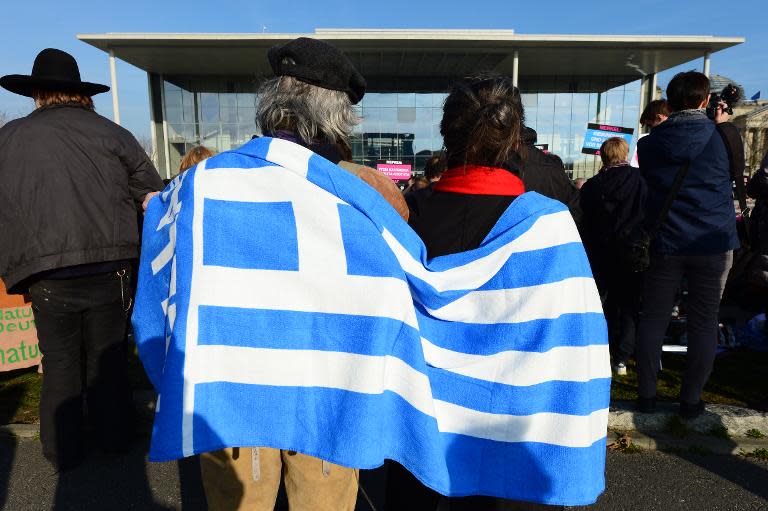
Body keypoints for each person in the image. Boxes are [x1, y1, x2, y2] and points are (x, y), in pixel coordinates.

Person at [195, 37, 406, 511]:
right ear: (338, 115)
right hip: (328, 387)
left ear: (270, 103)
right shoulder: (366, 191)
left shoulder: (204, 185)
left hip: (234, 388)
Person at [394, 73, 565, 511]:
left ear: (446, 134)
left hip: (425, 430)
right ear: (515, 139)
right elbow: (567, 339)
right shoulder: (550, 225)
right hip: (516, 429)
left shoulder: (407, 219)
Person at [0, 48, 164, 470]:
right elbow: (150, 193)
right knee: (108, 359)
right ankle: (114, 439)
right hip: (112, 266)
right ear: (82, 95)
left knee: (59, 361)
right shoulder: (113, 135)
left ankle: (62, 450)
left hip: (44, 272)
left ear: (36, 92)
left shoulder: (9, 138)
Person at [635, 71, 740, 419]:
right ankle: (690, 400)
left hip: (666, 240)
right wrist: (721, 124)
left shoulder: (648, 145)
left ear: (671, 102)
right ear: (706, 100)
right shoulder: (724, 136)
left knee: (653, 317)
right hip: (713, 241)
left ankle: (647, 395)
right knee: (704, 321)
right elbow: (735, 176)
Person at [580, 137, 647, 376]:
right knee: (628, 305)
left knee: (600, 304)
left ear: (603, 156)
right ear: (625, 154)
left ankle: (599, 352)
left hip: (599, 253)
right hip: (630, 251)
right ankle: (622, 357)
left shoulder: (591, 186)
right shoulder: (640, 181)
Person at [508, 126, 583, 225]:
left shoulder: (509, 165)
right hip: (553, 228)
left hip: (521, 228)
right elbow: (573, 203)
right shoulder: (554, 164)